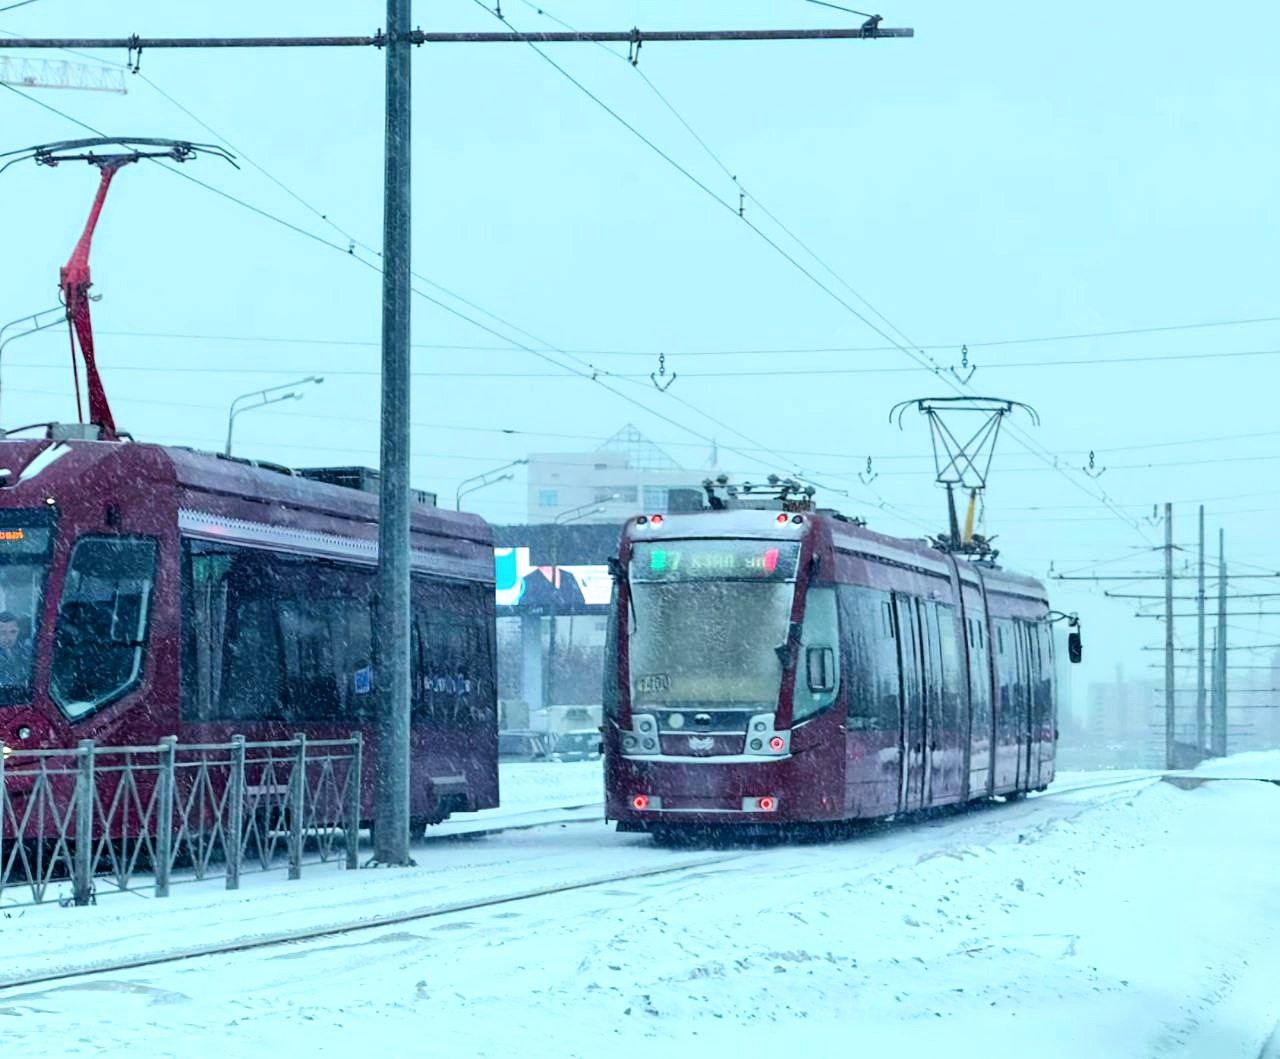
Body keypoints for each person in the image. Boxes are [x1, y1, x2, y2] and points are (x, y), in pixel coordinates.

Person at [0, 610, 31, 687]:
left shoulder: (26, 653)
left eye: (13, 632)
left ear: (19, 632)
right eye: (3, 632)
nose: (8, 637)